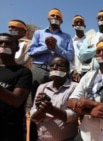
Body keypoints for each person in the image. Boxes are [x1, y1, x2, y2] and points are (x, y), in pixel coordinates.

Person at [27, 8, 74, 140]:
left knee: (60, 101)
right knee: (37, 104)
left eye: (57, 16)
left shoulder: (66, 36)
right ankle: (35, 136)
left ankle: (61, 132)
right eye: (52, 15)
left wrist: (56, 47)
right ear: (48, 18)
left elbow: (70, 56)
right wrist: (46, 47)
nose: (54, 17)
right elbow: (31, 52)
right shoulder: (38, 33)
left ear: (61, 20)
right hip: (40, 69)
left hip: (59, 71)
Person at [30, 56, 78, 141]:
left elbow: (72, 117)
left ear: (67, 70)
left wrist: (50, 109)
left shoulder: (74, 87)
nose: (54, 67)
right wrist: (41, 110)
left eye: (59, 65)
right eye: (52, 65)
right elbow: (34, 117)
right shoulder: (42, 87)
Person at [0, 33, 32, 141]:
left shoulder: (23, 72)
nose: (3, 45)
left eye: (8, 43)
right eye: (0, 43)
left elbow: (16, 100)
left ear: (17, 48)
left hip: (10, 131)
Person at [70, 15, 87, 82]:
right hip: (73, 75)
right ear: (73, 25)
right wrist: (73, 71)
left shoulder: (90, 39)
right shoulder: (70, 41)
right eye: (76, 22)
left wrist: (82, 72)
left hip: (87, 73)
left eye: (81, 22)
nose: (79, 24)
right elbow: (68, 59)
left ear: (84, 25)